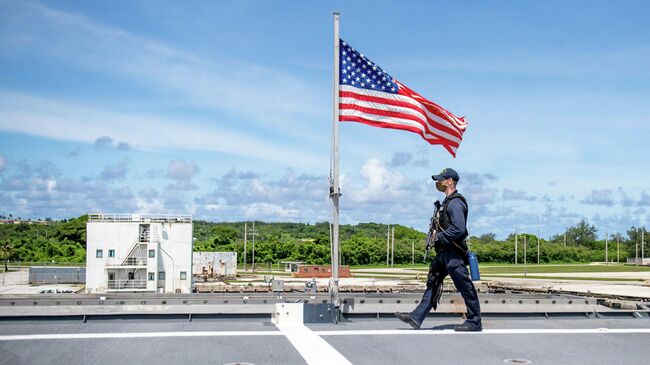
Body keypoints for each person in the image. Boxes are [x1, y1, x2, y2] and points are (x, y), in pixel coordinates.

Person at [395, 168, 482, 331]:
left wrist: (438, 237)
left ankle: (474, 321)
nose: (438, 182)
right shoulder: (446, 203)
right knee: (433, 282)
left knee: (464, 286)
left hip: (454, 253)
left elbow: (459, 228)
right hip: (443, 253)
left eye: (441, 179)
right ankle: (416, 317)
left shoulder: (456, 202)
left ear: (450, 181)